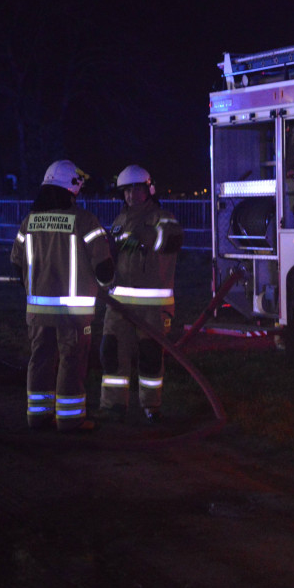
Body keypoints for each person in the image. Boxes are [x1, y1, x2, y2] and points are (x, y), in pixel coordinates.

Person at [10, 160, 113, 432]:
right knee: (72, 360)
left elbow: (17, 263)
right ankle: (70, 420)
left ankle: (38, 416)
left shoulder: (29, 222)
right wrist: (104, 285)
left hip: (37, 312)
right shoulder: (85, 221)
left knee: (40, 358)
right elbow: (104, 269)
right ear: (73, 186)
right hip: (73, 314)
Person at [98, 165, 183, 424]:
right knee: (112, 353)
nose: (131, 195)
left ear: (149, 190)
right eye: (126, 190)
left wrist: (137, 238)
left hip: (152, 307)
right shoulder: (119, 220)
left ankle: (151, 406)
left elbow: (169, 241)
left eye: (136, 189)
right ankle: (112, 406)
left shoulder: (162, 217)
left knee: (150, 356)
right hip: (118, 304)